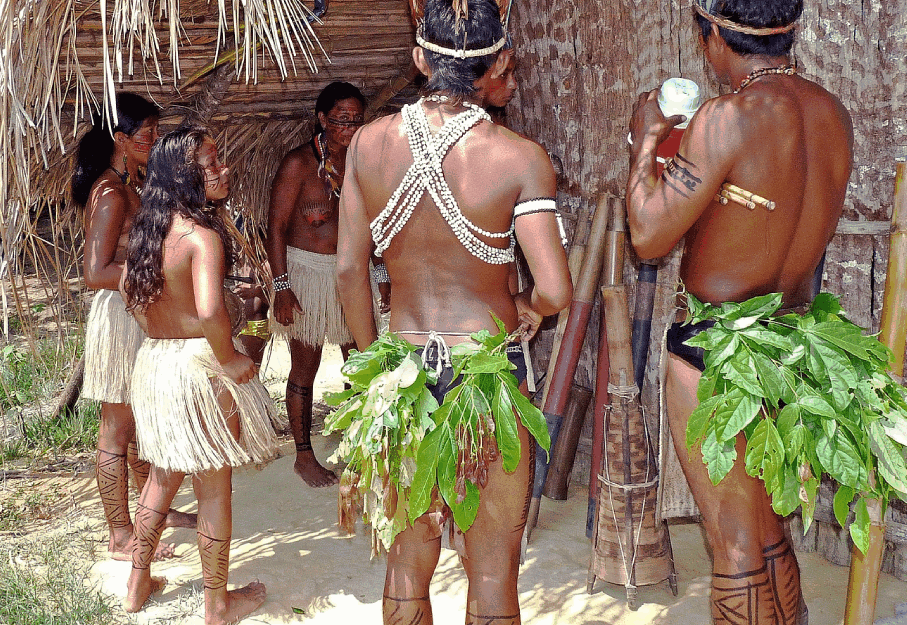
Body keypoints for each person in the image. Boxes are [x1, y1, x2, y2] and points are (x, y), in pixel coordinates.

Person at [335, 0, 572, 622]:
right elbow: (555, 290)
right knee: (491, 567)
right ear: (497, 63)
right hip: (486, 375)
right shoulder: (520, 158)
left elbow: (346, 271)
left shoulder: (367, 145)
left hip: (403, 374)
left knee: (407, 562)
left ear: (419, 60)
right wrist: (525, 305)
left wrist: (373, 363)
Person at [626, 1, 853, 623]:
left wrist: (646, 140)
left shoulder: (724, 118)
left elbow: (647, 236)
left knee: (732, 542)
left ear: (711, 38)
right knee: (770, 530)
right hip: (792, 345)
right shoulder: (832, 113)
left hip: (716, 349)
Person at [121, 126, 280, 623]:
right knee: (214, 488)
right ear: (185, 176)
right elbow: (212, 311)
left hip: (158, 364)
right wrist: (230, 360)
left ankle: (137, 582)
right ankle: (217, 603)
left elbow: (131, 295)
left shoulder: (147, 234)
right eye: (211, 165)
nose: (222, 170)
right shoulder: (201, 237)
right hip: (199, 369)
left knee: (163, 477)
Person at [71, 92, 195, 561]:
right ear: (120, 139)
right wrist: (151, 279)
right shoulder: (109, 191)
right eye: (147, 133)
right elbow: (94, 271)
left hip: (136, 311)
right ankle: (121, 535)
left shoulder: (128, 183)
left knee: (142, 421)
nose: (154, 140)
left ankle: (151, 512)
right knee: (117, 430)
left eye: (156, 131)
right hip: (119, 317)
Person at [266, 81, 386, 487]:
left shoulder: (363, 160)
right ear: (321, 119)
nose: (349, 127)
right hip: (307, 275)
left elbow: (376, 224)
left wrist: (381, 275)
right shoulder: (299, 164)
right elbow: (277, 226)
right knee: (306, 365)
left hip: (353, 271)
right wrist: (282, 286)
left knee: (362, 362)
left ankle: (364, 447)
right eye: (340, 120)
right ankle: (303, 456)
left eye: (356, 120)